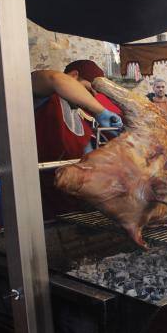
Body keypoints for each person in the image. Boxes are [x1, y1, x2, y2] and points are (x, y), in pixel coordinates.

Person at [32, 61, 123, 219]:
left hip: (73, 201)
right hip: (44, 196)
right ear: (74, 76)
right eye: (88, 89)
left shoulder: (78, 111)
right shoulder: (42, 94)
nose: (92, 97)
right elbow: (56, 79)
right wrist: (100, 111)